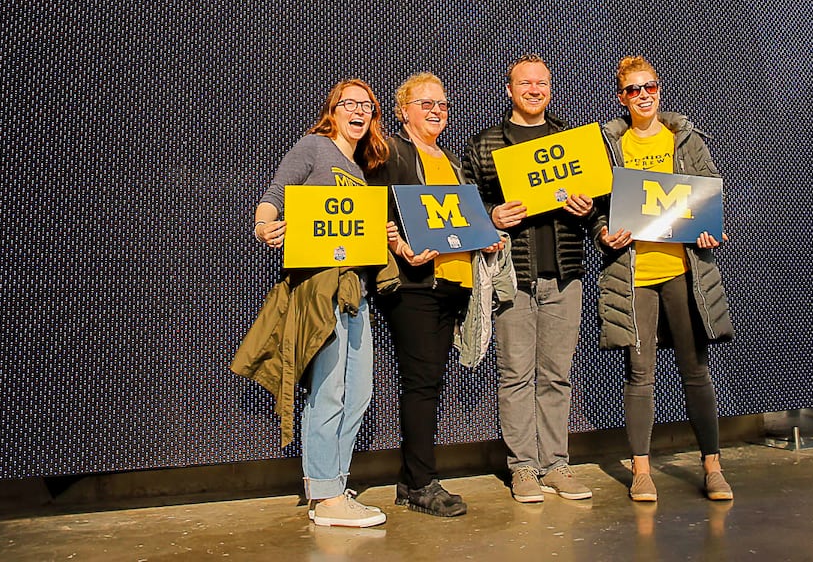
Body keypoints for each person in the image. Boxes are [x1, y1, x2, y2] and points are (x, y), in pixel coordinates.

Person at [231, 79, 391, 527]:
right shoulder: (313, 147)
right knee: (329, 391)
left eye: (368, 105)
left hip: (353, 288)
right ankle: (324, 495)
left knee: (359, 394)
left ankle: (336, 485)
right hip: (318, 286)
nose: (359, 111)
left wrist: (384, 237)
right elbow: (275, 195)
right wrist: (265, 227)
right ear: (333, 109)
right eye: (350, 104)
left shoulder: (359, 172)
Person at [370, 72, 511, 518]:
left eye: (443, 105)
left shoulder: (450, 162)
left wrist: (484, 237)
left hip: (453, 283)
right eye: (426, 103)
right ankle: (418, 483)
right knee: (420, 385)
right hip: (414, 285)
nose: (436, 111)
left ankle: (416, 479)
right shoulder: (391, 153)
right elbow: (375, 212)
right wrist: (399, 247)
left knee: (429, 383)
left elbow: (459, 223)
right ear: (403, 110)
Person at [464, 55, 602, 502]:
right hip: (512, 278)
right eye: (526, 83)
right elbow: (464, 207)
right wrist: (491, 216)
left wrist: (589, 211)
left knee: (557, 376)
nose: (535, 90)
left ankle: (556, 465)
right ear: (509, 89)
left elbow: (600, 205)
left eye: (541, 83)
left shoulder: (570, 140)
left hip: (565, 276)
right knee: (515, 375)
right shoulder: (486, 144)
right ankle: (523, 468)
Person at [596, 57, 734, 502]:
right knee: (640, 374)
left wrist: (711, 228)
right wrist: (602, 230)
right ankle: (641, 471)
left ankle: (712, 466)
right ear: (622, 98)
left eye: (649, 87)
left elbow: (710, 191)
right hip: (634, 274)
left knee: (696, 371)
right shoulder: (609, 145)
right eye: (633, 90)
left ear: (659, 90)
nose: (643, 95)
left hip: (683, 270)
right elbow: (600, 206)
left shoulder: (685, 139)